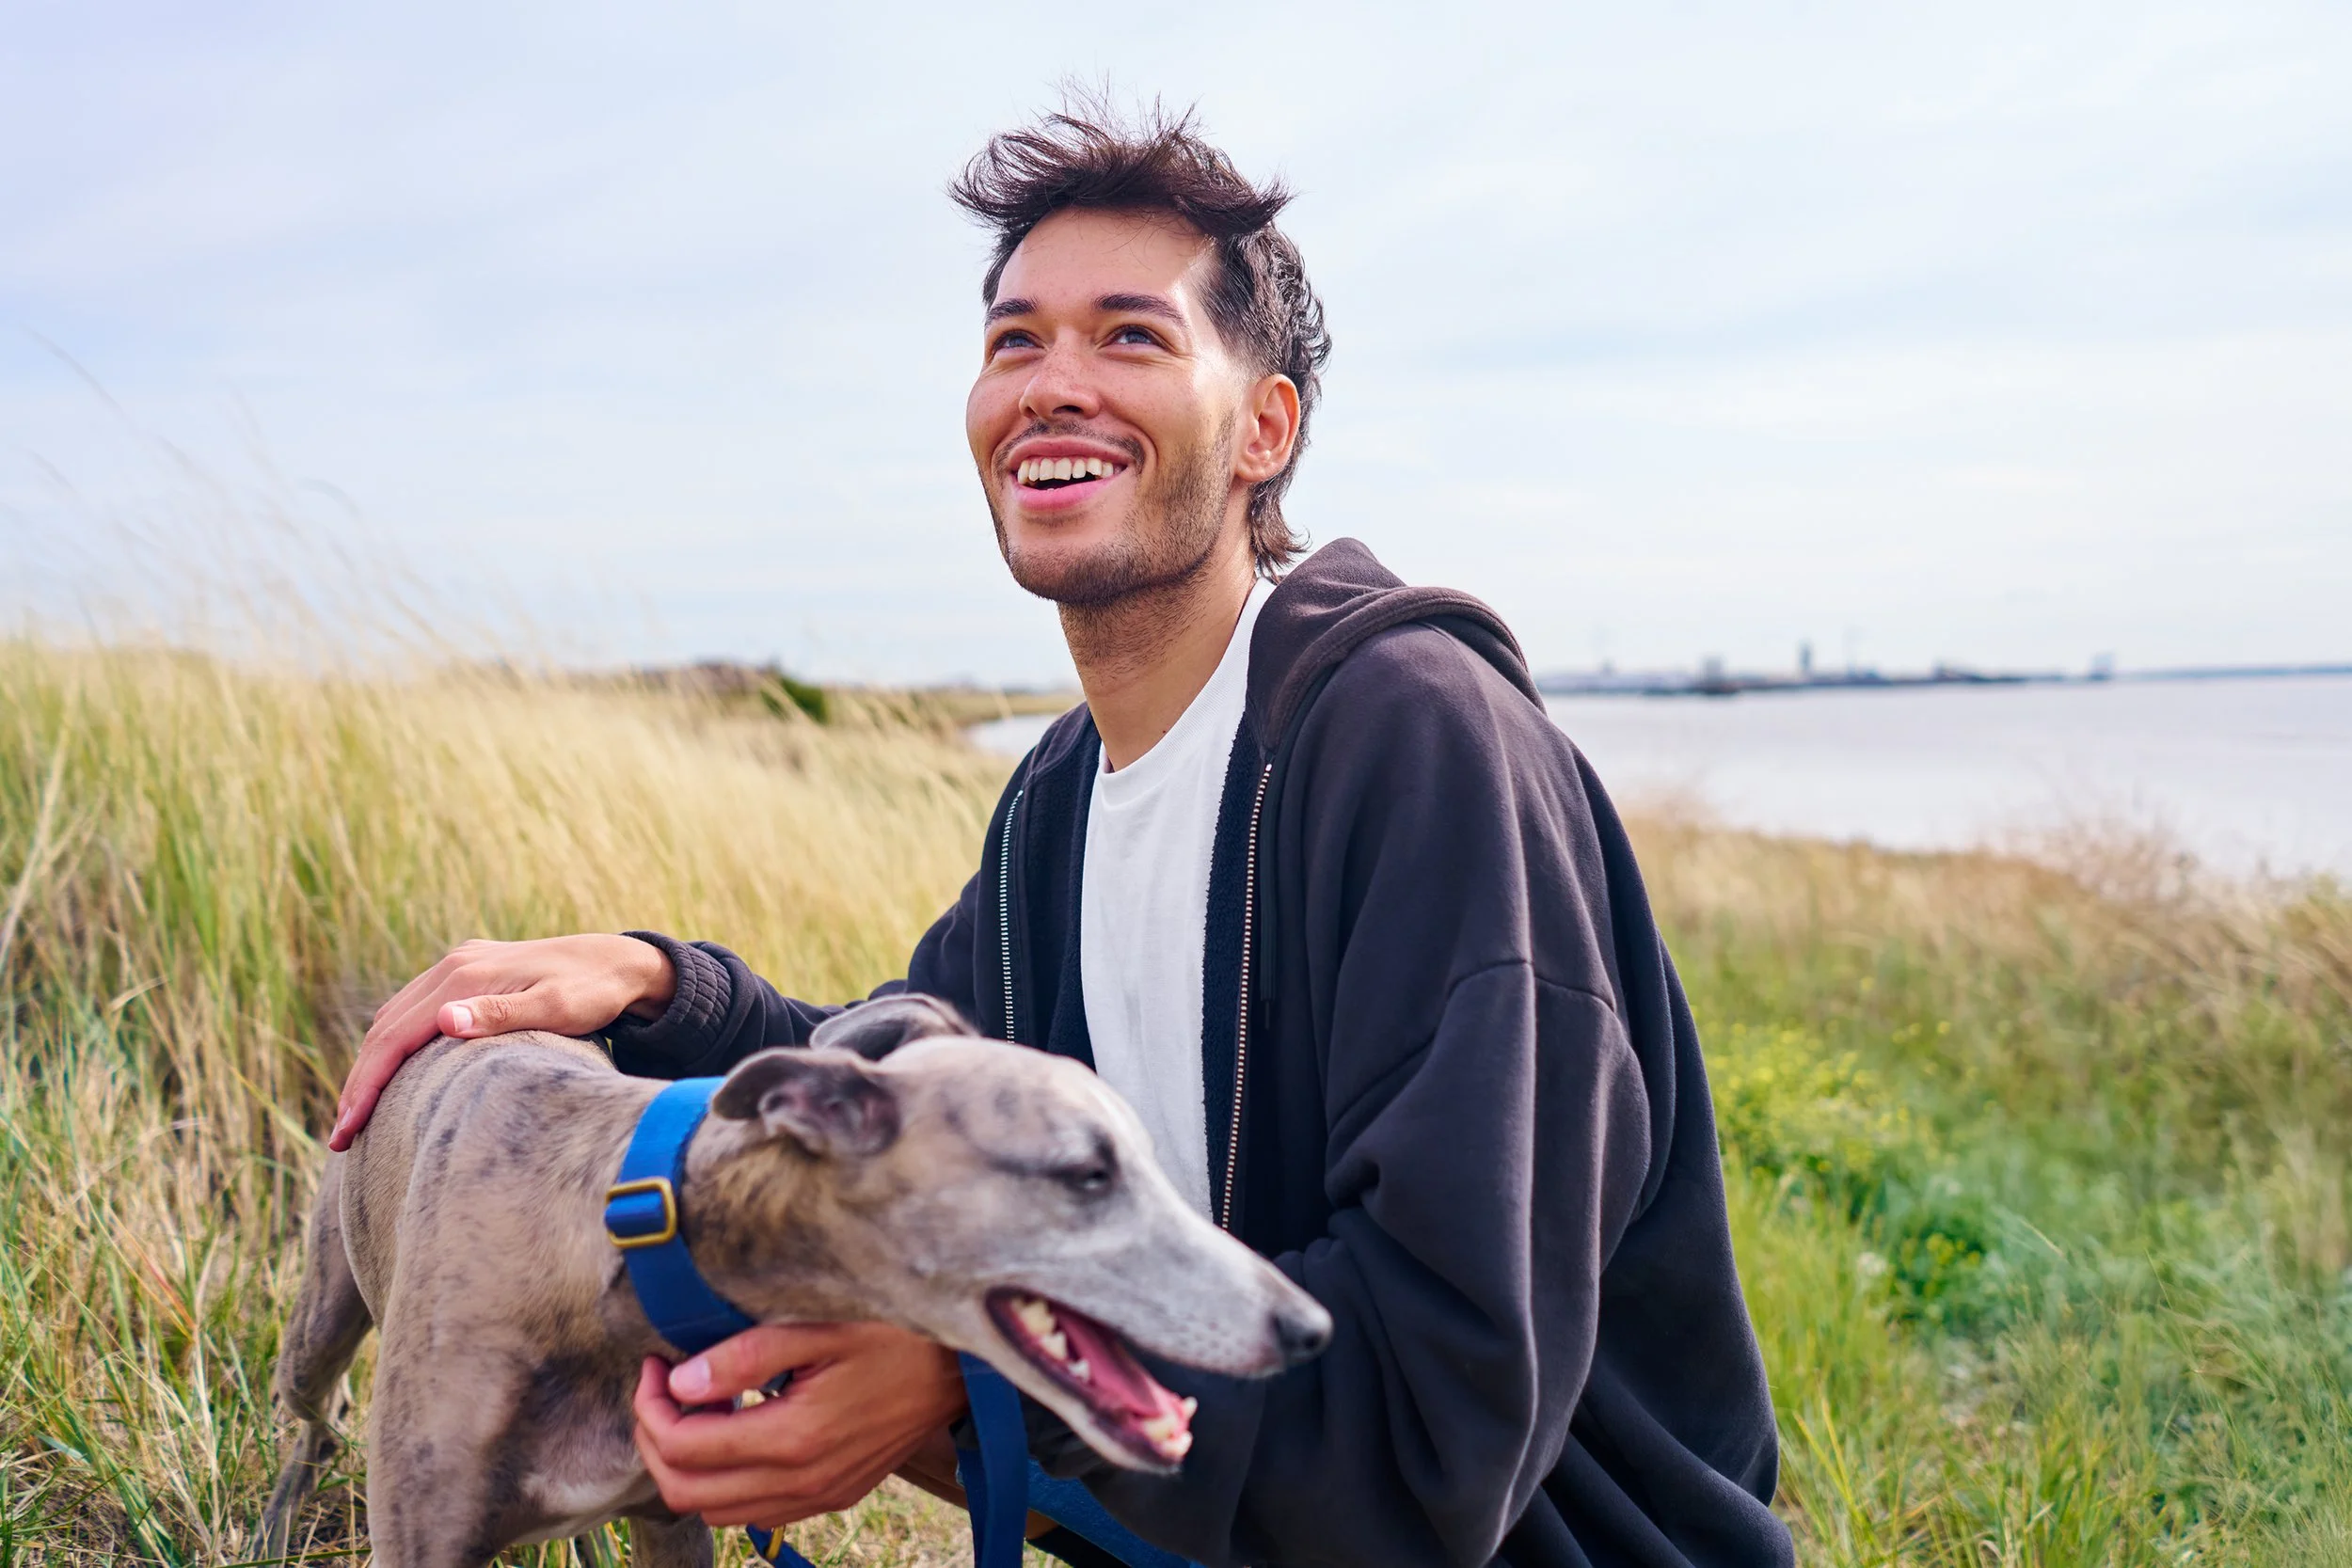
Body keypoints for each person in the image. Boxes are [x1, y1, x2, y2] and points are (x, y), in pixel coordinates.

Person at [331, 103, 1793, 1568]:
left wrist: (960, 1380)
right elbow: (914, 1088)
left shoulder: (1415, 742)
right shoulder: (1063, 795)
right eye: (1014, 341)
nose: (1052, 386)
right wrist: (665, 988)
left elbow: (1438, 1433)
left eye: (1131, 336)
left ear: (1264, 430)